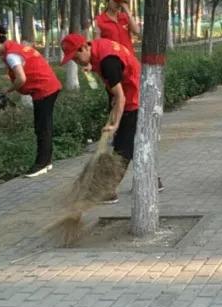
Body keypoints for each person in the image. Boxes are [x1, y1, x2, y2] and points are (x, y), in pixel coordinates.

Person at [60, 33, 161, 202]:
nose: (78, 63)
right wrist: (92, 67)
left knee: (122, 147)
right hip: (131, 94)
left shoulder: (108, 62)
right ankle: (151, 180)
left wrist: (115, 125)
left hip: (134, 99)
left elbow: (120, 98)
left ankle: (108, 190)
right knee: (134, 144)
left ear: (84, 47)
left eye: (77, 59)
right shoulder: (98, 47)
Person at [0, 28, 62, 177]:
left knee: (42, 127)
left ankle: (41, 163)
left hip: (44, 89)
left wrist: (8, 89)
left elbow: (21, 79)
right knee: (44, 125)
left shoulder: (11, 55)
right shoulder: (14, 47)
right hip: (48, 86)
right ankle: (46, 160)